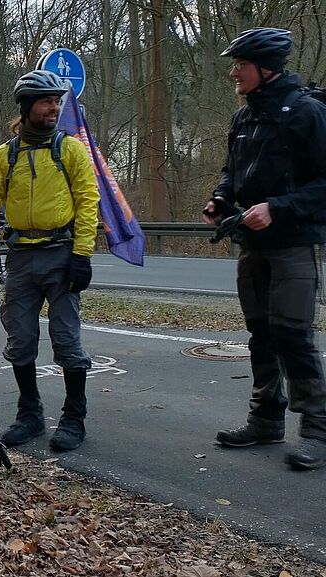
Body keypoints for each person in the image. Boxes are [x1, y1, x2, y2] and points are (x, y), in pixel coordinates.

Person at [203, 28, 326, 470]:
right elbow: (231, 172)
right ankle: (265, 420)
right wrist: (220, 197)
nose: (234, 72)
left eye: (241, 64)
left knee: (293, 336)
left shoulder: (308, 113)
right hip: (251, 245)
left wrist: (277, 208)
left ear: (267, 68)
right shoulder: (244, 117)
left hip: (293, 244)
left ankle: (317, 430)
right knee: (261, 335)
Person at [0, 70, 99, 451]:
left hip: (61, 254)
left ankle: (74, 418)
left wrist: (82, 255)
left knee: (67, 340)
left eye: (57, 101)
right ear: (26, 108)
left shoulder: (70, 149)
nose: (54, 108)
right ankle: (30, 414)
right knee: (20, 339)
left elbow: (88, 201)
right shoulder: (4, 156)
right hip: (21, 258)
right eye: (46, 102)